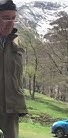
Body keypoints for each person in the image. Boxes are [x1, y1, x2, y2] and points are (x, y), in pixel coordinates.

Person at [0, 0, 28, 138]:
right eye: (5, 18)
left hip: (10, 108)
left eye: (13, 18)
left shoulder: (16, 43)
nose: (10, 23)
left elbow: (18, 78)